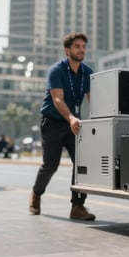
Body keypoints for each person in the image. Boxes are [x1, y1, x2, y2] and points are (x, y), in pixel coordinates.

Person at [29, 32, 95, 221]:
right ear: (67, 50)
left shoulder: (88, 72)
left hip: (75, 123)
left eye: (83, 46)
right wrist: (71, 118)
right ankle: (36, 193)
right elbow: (57, 99)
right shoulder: (56, 70)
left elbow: (94, 100)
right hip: (52, 122)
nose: (81, 50)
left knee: (82, 163)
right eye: (77, 46)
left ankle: (77, 206)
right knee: (51, 164)